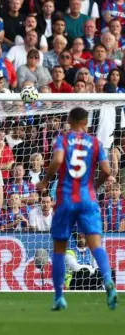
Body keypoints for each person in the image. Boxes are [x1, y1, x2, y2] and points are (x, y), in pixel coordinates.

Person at [35, 107, 117, 311]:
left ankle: (59, 297)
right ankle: (107, 280)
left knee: (60, 250)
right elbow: (107, 171)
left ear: (70, 120)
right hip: (88, 199)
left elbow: (58, 160)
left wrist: (45, 181)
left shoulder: (63, 140)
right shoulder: (96, 143)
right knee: (96, 245)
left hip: (66, 199)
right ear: (86, 123)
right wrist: (93, 187)